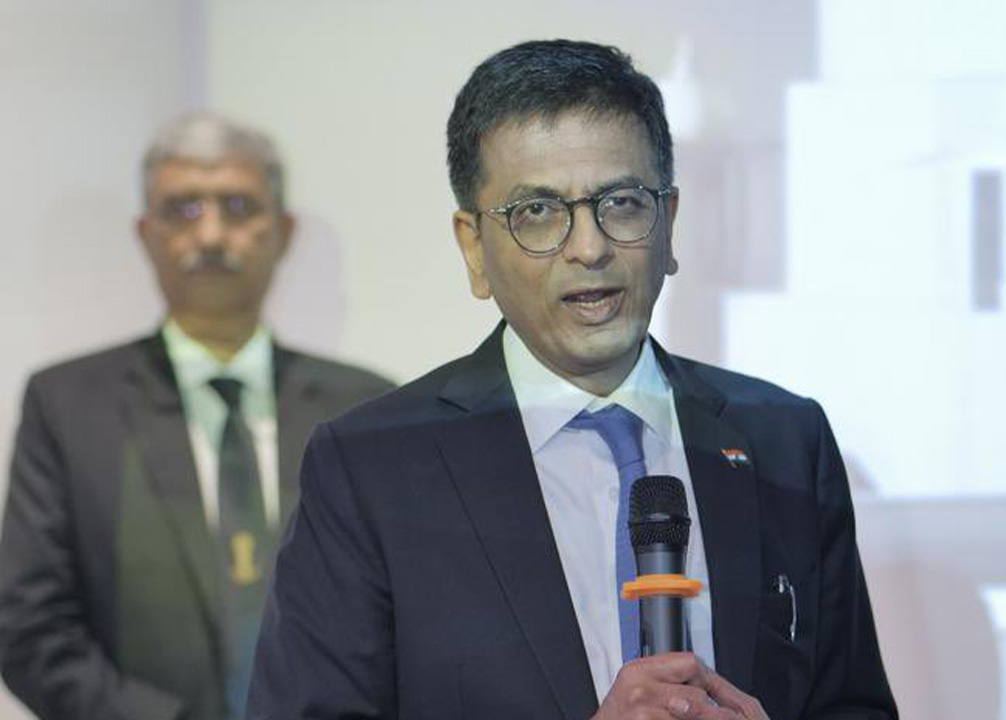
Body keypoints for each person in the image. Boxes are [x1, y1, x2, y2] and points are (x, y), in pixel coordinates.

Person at [248, 40, 897, 720]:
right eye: (537, 212)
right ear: (473, 248)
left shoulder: (784, 440)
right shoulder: (372, 468)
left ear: (669, 222)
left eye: (622, 203)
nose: (590, 247)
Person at [0, 112, 394, 720]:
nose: (210, 234)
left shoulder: (367, 407)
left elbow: (407, 610)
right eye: (182, 209)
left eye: (238, 207)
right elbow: (29, 627)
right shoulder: (68, 405)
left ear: (284, 232)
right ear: (145, 234)